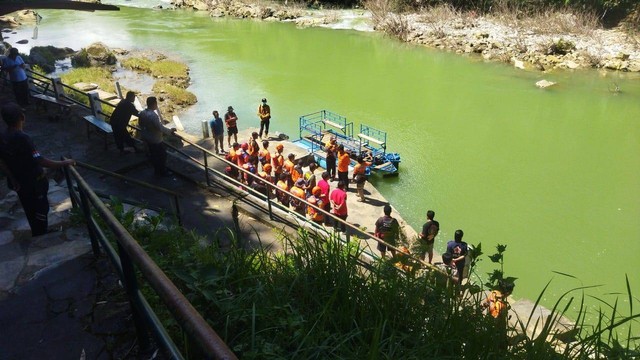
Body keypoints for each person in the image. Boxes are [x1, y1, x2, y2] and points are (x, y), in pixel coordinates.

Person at [0, 103, 75, 236]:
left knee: (29, 208)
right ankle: (41, 233)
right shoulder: (23, 138)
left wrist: (11, 178)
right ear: (22, 117)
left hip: (18, 181)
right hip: (34, 181)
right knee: (41, 208)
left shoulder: (3, 136)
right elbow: (39, 160)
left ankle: (37, 232)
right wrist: (63, 163)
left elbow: (2, 161)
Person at [138, 96, 176, 176]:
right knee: (162, 155)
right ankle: (162, 171)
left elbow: (140, 124)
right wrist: (170, 131)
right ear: (154, 104)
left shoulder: (142, 113)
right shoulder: (153, 116)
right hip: (155, 139)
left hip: (147, 137)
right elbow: (160, 127)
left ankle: (157, 171)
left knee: (154, 155)